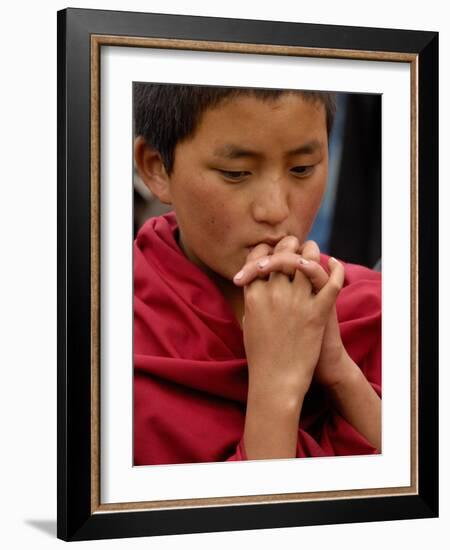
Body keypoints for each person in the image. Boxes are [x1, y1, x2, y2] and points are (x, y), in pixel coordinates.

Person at [133, 83, 381, 465]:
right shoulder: (110, 340)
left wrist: (340, 371)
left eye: (302, 169)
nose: (275, 210)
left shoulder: (376, 307)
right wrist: (276, 389)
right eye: (236, 173)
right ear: (156, 167)